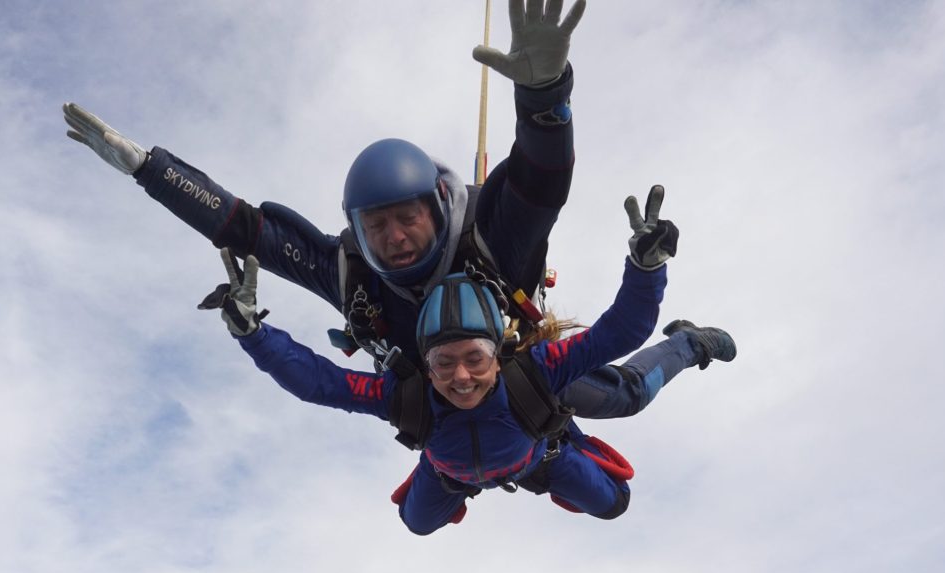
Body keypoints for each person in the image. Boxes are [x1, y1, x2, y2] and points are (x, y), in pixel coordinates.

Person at [60, 1, 678, 420]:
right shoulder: (351, 272)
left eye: (406, 218)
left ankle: (688, 345)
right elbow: (250, 230)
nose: (395, 239)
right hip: (440, 396)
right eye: (375, 227)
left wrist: (544, 92)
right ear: (356, 230)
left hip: (514, 371)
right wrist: (151, 171)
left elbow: (543, 177)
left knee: (622, 399)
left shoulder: (490, 236)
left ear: (440, 205)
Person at [200, 189, 736, 535]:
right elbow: (320, 382)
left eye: (475, 359)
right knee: (416, 524)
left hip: (539, 456)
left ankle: (690, 343)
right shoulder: (407, 397)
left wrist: (645, 269)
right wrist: (253, 332)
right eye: (443, 363)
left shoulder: (540, 369)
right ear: (424, 365)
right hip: (452, 471)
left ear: (498, 355)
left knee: (617, 483)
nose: (460, 376)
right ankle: (459, 477)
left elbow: (620, 331)